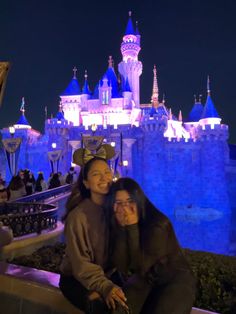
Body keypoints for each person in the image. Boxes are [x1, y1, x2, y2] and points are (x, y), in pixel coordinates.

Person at [106, 177, 196, 314]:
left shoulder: (158, 225)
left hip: (174, 280)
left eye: (130, 201)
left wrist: (132, 226)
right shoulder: (119, 222)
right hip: (146, 280)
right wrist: (122, 229)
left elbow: (141, 265)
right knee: (119, 308)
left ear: (139, 200)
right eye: (119, 202)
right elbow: (122, 265)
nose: (125, 208)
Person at [59, 142, 128, 314]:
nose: (104, 178)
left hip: (106, 274)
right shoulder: (78, 217)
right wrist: (105, 287)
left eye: (107, 172)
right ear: (86, 183)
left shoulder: (114, 209)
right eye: (96, 174)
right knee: (102, 306)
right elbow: (81, 265)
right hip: (76, 278)